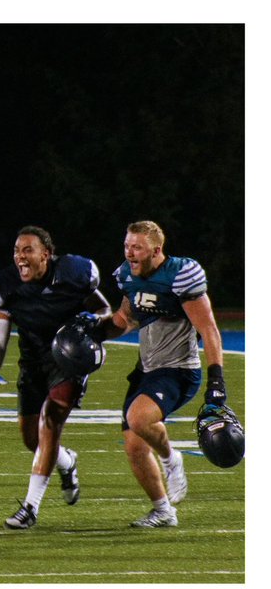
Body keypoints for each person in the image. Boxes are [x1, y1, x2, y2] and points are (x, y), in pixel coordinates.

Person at [85, 220, 229, 527]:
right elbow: (124, 319)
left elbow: (209, 329)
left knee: (139, 419)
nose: (129, 252)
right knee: (134, 447)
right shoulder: (127, 275)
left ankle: (170, 459)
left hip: (178, 370)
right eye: (126, 246)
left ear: (156, 249)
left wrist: (216, 379)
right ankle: (164, 510)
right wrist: (95, 332)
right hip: (147, 369)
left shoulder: (180, 275)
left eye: (137, 247)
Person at [0, 226, 110, 530]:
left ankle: (30, 508)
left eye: (27, 250)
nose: (20, 257)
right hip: (33, 362)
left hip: (68, 361)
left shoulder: (73, 274)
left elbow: (103, 307)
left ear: (46, 254)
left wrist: (94, 323)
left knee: (50, 422)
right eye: (16, 250)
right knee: (32, 439)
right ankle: (67, 461)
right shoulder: (6, 285)